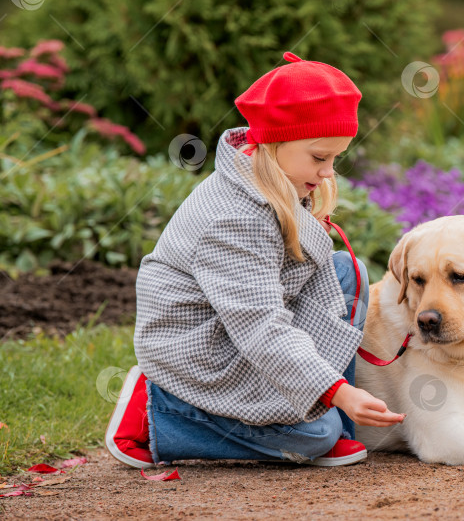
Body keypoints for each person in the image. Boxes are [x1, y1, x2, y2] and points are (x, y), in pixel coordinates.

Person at [105, 51, 405, 469]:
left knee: (344, 272)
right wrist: (338, 391)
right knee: (314, 437)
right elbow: (261, 326)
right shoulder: (233, 220)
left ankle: (328, 420)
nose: (328, 173)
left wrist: (328, 392)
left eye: (335, 158)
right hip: (203, 348)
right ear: (276, 142)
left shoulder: (272, 177)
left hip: (237, 327)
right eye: (319, 158)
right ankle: (159, 410)